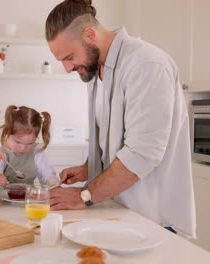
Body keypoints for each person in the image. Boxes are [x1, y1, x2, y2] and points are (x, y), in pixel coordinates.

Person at [45, 0, 196, 238]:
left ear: (90, 34)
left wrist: (84, 195)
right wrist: (88, 167)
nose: (67, 68)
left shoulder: (146, 65)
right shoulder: (96, 71)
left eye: (69, 57)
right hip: (118, 212)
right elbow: (116, 137)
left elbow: (141, 154)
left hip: (153, 219)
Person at [0, 105, 59, 192]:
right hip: (4, 197)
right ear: (7, 133)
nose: (23, 148)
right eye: (18, 142)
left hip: (29, 197)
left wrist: (53, 184)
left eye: (30, 143)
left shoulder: (36, 152)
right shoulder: (2, 151)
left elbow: (46, 173)